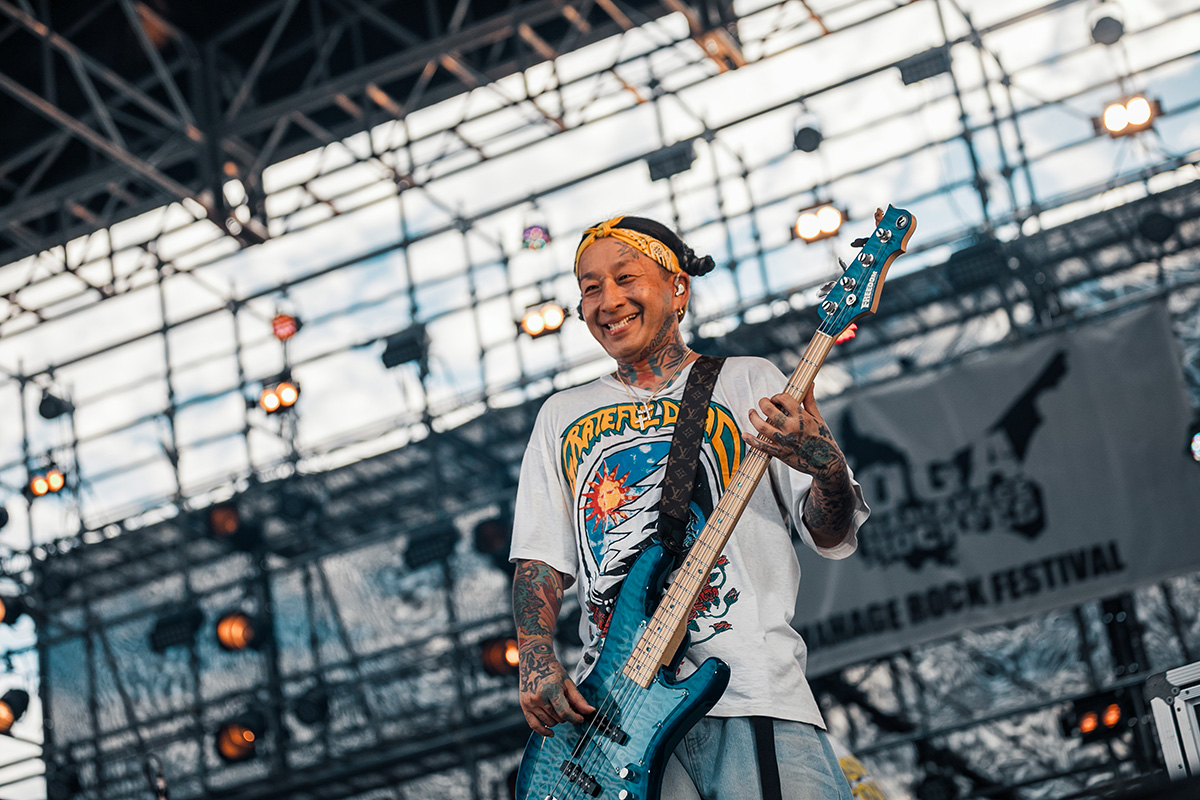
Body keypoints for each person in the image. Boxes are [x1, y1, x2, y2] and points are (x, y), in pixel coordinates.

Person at [509, 215, 870, 800]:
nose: (608, 300)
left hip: (752, 691)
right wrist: (534, 655)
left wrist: (826, 467)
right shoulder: (559, 416)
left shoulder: (750, 381)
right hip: (612, 717)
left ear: (679, 288)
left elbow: (828, 533)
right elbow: (539, 561)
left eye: (626, 277)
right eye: (590, 287)